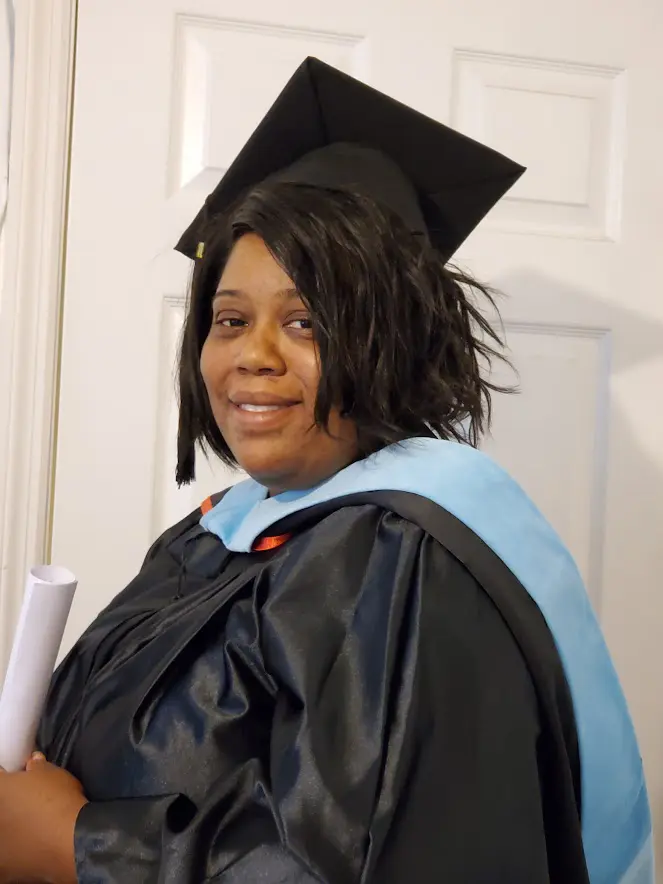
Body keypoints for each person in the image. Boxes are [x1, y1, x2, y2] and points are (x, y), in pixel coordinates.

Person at [0, 58, 652, 884]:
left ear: (398, 342)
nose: (254, 356)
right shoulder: (217, 537)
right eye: (229, 319)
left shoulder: (401, 557)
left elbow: (374, 862)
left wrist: (72, 847)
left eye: (308, 321)